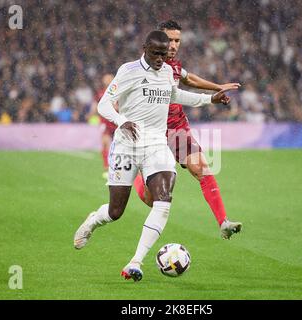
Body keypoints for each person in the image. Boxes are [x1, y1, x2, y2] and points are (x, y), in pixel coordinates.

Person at [73, 31, 235, 282]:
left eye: (163, 54)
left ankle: (135, 261)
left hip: (157, 145)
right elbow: (104, 104)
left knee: (163, 200)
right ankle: (94, 220)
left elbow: (175, 96)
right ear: (144, 48)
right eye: (156, 53)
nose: (161, 59)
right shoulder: (128, 71)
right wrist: (121, 120)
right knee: (116, 211)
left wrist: (209, 99)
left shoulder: (168, 72)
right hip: (127, 145)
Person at [132, 20, 242, 239]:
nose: (173, 45)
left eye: (177, 40)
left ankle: (223, 222)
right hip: (153, 131)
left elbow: (188, 78)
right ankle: (138, 177)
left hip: (176, 126)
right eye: (169, 40)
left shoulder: (173, 65)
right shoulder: (144, 66)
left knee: (202, 168)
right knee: (152, 199)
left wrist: (217, 88)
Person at [91, 74, 118, 179]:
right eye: (105, 79)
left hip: (115, 122)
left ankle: (118, 166)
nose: (107, 80)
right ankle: (107, 167)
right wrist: (91, 113)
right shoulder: (100, 93)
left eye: (109, 79)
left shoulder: (117, 92)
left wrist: (115, 108)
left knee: (118, 145)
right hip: (105, 122)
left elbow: (119, 106)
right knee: (105, 142)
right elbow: (96, 105)